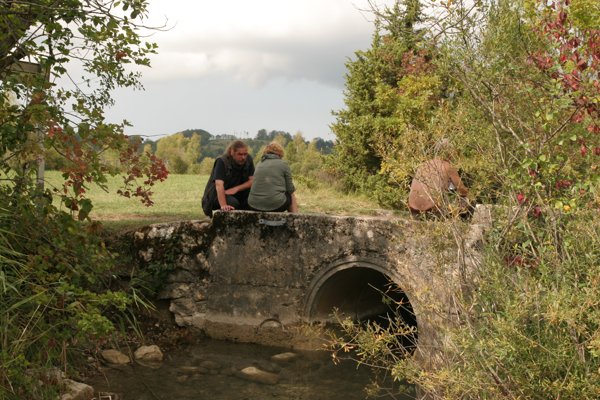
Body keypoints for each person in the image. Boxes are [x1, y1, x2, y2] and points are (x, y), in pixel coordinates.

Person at [408, 139, 468, 216]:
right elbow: (462, 190)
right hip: (430, 210)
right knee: (465, 199)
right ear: (450, 152)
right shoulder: (447, 166)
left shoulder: (423, 165)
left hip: (412, 208)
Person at [201, 140, 254, 217]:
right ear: (232, 152)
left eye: (245, 154)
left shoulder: (248, 160)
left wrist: (236, 189)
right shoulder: (222, 161)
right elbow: (219, 185)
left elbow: (252, 181)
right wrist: (224, 205)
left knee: (253, 199)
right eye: (240, 154)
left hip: (237, 193)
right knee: (233, 203)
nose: (243, 157)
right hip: (217, 195)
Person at [248, 142, 298, 213]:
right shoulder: (283, 164)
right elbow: (290, 189)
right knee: (291, 194)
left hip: (253, 205)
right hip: (276, 205)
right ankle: (295, 218)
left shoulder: (259, 164)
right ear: (280, 153)